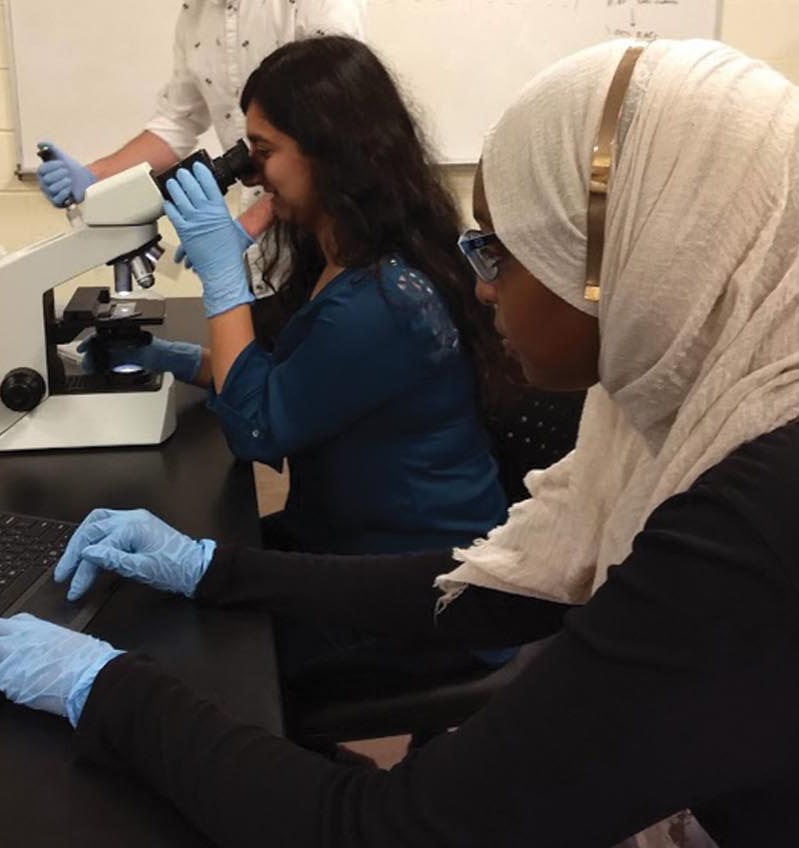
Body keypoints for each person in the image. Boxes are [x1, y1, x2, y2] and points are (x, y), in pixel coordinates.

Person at [0, 39, 799, 848]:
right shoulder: (696, 403)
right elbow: (483, 590)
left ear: (629, 256)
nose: (479, 290)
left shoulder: (757, 519)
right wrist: (209, 568)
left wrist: (108, 686)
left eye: (500, 252)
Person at [87, 35, 509, 567]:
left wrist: (222, 277)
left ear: (332, 153)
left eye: (263, 152)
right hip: (352, 537)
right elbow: (287, 374)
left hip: (414, 581)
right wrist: (180, 361)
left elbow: (255, 430)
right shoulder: (345, 254)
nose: (251, 172)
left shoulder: (382, 301)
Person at [35, 0, 367, 245]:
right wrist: (92, 176)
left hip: (332, 247)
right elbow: (175, 125)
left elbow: (335, 131)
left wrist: (250, 225)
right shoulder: (195, 16)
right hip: (264, 259)